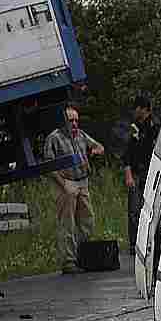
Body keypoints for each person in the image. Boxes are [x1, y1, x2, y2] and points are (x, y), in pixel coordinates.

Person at [44, 106, 105, 274]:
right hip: (66, 184)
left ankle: (83, 256)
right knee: (67, 223)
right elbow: (49, 166)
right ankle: (68, 262)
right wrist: (63, 184)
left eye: (76, 120)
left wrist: (94, 150)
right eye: (71, 120)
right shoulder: (54, 138)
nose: (75, 124)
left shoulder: (81, 135)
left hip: (82, 182)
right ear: (63, 121)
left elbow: (100, 147)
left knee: (87, 221)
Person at [122, 94, 160, 257]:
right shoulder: (134, 127)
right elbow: (127, 153)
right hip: (137, 172)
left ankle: (149, 242)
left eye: (136, 108)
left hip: (152, 172)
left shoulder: (156, 126)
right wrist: (128, 174)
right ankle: (134, 244)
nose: (134, 111)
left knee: (151, 208)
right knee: (134, 210)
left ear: (143, 109)